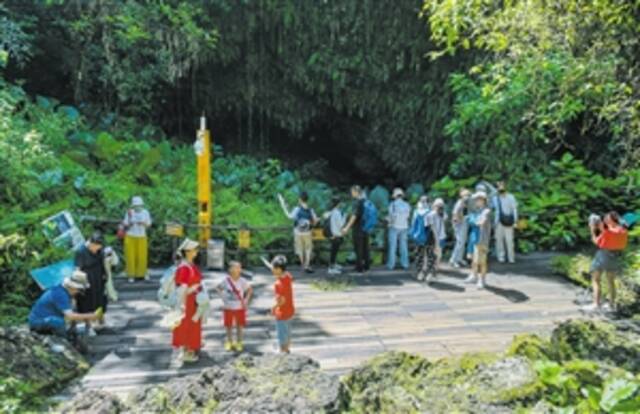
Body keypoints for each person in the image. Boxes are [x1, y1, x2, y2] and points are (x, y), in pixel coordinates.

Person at [29, 271, 102, 340]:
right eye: (79, 290)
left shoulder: (64, 291)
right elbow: (70, 316)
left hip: (50, 317)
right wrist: (91, 316)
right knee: (58, 322)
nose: (78, 293)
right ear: (73, 287)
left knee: (70, 314)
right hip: (38, 321)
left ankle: (72, 336)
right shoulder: (60, 294)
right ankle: (64, 341)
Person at [584, 212, 628, 312]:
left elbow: (596, 242)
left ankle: (596, 304)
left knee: (595, 280)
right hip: (616, 256)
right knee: (611, 281)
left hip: (603, 255)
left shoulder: (608, 231)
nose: (604, 221)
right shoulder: (623, 230)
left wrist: (592, 228)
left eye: (606, 219)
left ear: (611, 220)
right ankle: (611, 305)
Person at [172, 238, 204, 363]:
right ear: (189, 251)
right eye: (195, 249)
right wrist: (181, 304)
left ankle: (191, 348)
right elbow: (182, 287)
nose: (196, 251)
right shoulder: (184, 267)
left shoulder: (189, 265)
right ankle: (187, 351)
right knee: (187, 326)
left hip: (194, 300)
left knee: (192, 325)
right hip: (188, 301)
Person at [75, 232, 107, 336]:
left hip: (98, 278)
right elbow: (77, 269)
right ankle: (88, 326)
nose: (97, 249)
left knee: (100, 300)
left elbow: (102, 263)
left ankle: (100, 321)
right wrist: (82, 283)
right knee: (86, 303)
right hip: (87, 280)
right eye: (96, 247)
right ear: (91, 243)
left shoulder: (99, 251)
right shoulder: (81, 251)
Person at [217, 261, 253, 352]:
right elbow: (218, 288)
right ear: (230, 269)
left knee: (239, 326)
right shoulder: (226, 280)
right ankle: (229, 342)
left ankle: (239, 342)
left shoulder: (242, 281)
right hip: (228, 307)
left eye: (239, 267)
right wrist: (223, 297)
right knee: (228, 325)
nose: (238, 269)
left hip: (239, 307)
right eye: (236, 267)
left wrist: (246, 300)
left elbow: (249, 290)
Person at [280, 191, 318, 273]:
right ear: (307, 199)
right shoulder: (310, 210)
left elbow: (290, 217)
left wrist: (284, 207)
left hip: (298, 232)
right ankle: (307, 265)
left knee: (299, 248)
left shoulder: (297, 209)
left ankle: (302, 265)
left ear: (300, 199)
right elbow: (315, 221)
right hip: (307, 232)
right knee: (308, 248)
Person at [465, 192, 492, 289]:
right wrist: (474, 220)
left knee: (482, 261)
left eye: (478, 199)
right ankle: (474, 276)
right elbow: (471, 221)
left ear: (483, 200)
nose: (476, 201)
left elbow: (480, 222)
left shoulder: (486, 211)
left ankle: (482, 279)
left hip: (482, 240)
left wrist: (476, 221)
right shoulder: (475, 211)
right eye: (476, 200)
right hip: (473, 238)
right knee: (473, 260)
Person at [122, 196, 152, 283]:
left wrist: (143, 223)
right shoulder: (129, 212)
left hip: (142, 236)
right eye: (136, 205)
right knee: (130, 256)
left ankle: (142, 273)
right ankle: (131, 275)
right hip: (130, 235)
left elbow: (149, 223)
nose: (137, 207)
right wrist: (131, 222)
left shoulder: (145, 212)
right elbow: (125, 223)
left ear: (141, 205)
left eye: (139, 205)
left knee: (142, 256)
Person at [342, 185, 370, 274]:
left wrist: (347, 227)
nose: (351, 193)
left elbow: (354, 216)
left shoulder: (357, 202)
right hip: (366, 228)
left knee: (358, 248)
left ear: (356, 192)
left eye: (352, 192)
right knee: (365, 248)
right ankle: (366, 267)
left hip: (358, 228)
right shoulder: (366, 201)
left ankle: (359, 268)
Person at [270, 255, 295, 353]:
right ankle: (287, 349)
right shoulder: (288, 277)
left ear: (279, 269)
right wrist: (279, 274)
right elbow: (287, 274)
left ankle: (283, 352)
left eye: (273, 268)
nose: (272, 270)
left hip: (281, 313)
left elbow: (282, 300)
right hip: (290, 311)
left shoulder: (278, 284)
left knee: (281, 335)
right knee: (287, 333)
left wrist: (274, 307)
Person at [419, 198, 447, 283]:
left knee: (433, 256)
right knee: (432, 256)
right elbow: (432, 228)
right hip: (434, 239)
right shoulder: (432, 215)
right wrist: (437, 241)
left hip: (437, 238)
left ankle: (429, 273)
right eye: (438, 206)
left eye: (440, 206)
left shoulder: (440, 214)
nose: (439, 207)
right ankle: (427, 273)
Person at [386, 188, 411, 270]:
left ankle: (391, 265)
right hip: (404, 227)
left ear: (395, 196)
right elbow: (408, 216)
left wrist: (387, 220)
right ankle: (405, 264)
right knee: (403, 246)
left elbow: (391, 217)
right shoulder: (407, 205)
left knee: (393, 246)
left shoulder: (392, 205)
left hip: (394, 227)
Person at [493, 181, 518, 263]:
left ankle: (511, 258)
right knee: (499, 240)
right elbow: (492, 207)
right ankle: (501, 257)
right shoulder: (495, 198)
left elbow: (514, 209)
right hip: (498, 222)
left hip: (509, 221)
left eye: (502, 185)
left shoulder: (511, 197)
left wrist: (515, 221)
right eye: (498, 186)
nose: (501, 187)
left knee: (509, 240)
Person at [450, 189, 471, 268]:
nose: (467, 196)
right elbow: (455, 214)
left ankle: (460, 258)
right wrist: (458, 222)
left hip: (464, 223)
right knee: (459, 242)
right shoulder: (459, 203)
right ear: (462, 196)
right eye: (465, 195)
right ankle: (453, 260)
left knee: (463, 242)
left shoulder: (467, 203)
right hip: (459, 225)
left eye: (468, 195)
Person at [326, 196, 346, 275]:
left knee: (334, 251)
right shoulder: (337, 213)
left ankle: (333, 265)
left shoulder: (332, 212)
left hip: (333, 234)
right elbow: (341, 225)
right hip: (336, 235)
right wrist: (344, 217)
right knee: (334, 252)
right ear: (338, 203)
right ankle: (331, 269)